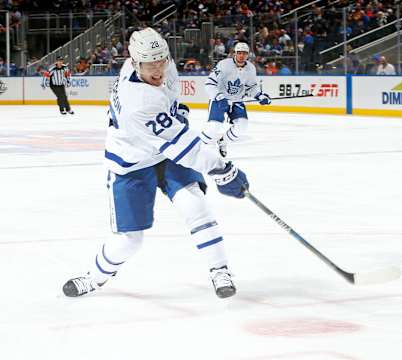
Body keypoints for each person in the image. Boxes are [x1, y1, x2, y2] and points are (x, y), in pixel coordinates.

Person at [62, 28, 249, 299]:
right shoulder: (137, 100)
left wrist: (178, 110)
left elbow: (170, 99)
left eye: (162, 60)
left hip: (161, 152)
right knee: (129, 240)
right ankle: (95, 277)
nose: (159, 69)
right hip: (131, 163)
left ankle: (219, 269)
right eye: (151, 64)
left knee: (195, 205)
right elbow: (187, 149)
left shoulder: (159, 65)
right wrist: (223, 170)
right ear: (136, 62)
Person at [202, 42, 271, 158]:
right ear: (234, 53)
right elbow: (209, 83)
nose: (241, 56)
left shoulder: (250, 68)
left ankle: (223, 142)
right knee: (214, 127)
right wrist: (219, 97)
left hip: (237, 100)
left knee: (242, 126)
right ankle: (197, 148)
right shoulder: (223, 65)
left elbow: (251, 87)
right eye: (239, 53)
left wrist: (260, 96)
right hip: (219, 99)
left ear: (248, 55)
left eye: (244, 53)